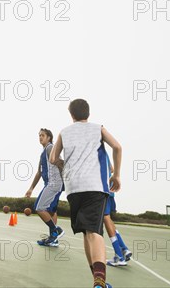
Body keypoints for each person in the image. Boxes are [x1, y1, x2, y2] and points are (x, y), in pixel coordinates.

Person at [50, 99, 122, 288]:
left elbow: (53, 158)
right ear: (88, 113)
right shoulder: (97, 128)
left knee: (86, 233)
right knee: (95, 232)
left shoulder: (64, 132)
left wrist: (65, 167)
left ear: (71, 114)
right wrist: (117, 176)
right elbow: (117, 147)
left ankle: (97, 280)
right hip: (94, 185)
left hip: (73, 188)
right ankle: (99, 282)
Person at [25, 128, 65, 247]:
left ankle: (56, 231)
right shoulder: (43, 152)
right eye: (39, 135)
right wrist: (31, 188)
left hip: (54, 183)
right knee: (51, 211)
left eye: (42, 135)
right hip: (50, 183)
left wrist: (66, 178)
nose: (40, 137)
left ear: (49, 137)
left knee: (39, 207)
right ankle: (54, 239)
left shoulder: (50, 147)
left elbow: (60, 162)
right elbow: (39, 172)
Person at [104, 154, 132, 267]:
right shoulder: (103, 150)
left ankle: (119, 256)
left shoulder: (93, 148)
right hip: (110, 190)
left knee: (106, 219)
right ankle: (124, 249)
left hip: (104, 190)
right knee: (108, 219)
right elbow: (111, 168)